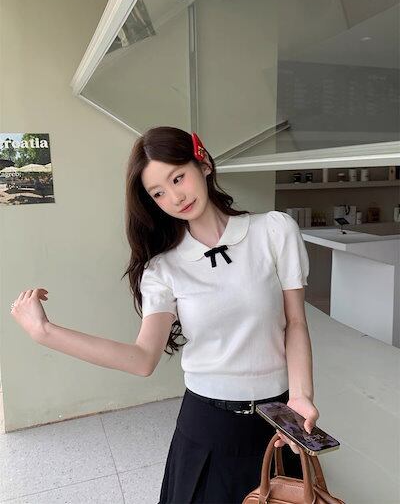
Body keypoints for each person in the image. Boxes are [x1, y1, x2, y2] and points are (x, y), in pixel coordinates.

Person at [10, 126, 319, 504]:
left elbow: (295, 322)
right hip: (207, 425)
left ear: (203, 164)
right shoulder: (162, 269)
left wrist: (301, 397)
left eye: (178, 178)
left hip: (278, 418)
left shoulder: (273, 230)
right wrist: (45, 332)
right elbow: (142, 359)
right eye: (158, 193)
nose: (175, 197)